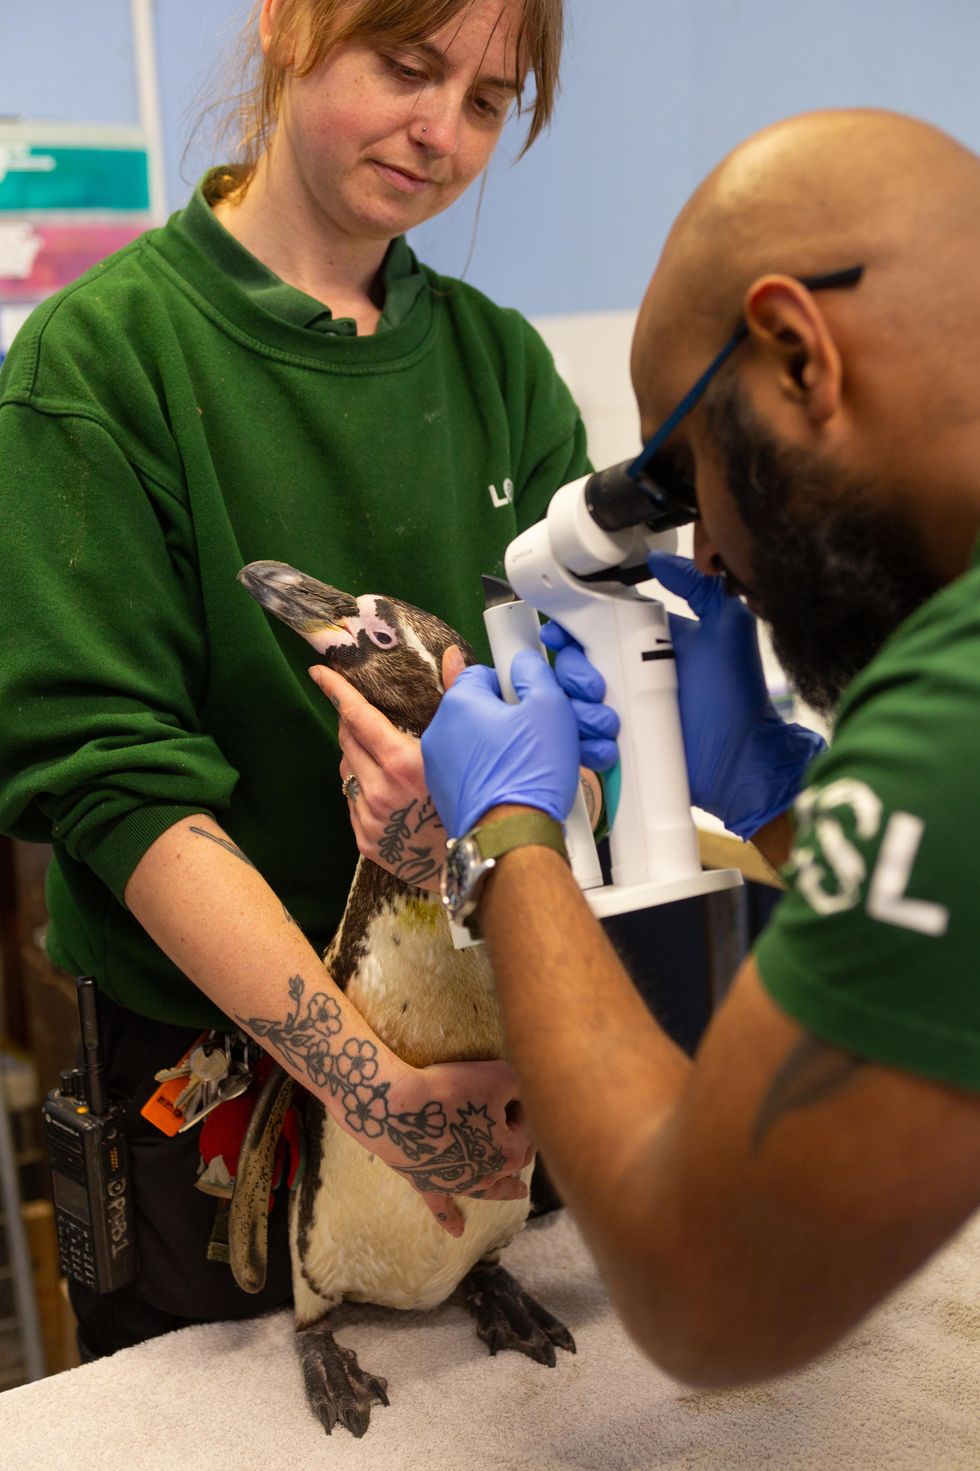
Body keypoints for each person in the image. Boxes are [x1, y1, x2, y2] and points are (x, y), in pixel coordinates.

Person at [319, 107, 980, 1387]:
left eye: (681, 480)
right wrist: (780, 788)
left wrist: (509, 843)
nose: (711, 556)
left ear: (796, 352)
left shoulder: (951, 714)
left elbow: (708, 1289)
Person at [0, 0, 587, 1358]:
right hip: (218, 1126)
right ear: (283, 24)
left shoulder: (502, 369)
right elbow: (116, 782)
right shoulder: (99, 367)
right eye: (408, 66)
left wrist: (546, 791)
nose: (442, 132)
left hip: (492, 1056)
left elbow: (576, 701)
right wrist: (377, 1093)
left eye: (490, 102)